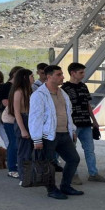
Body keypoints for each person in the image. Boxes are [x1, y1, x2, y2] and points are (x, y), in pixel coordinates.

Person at [28, 65, 83, 200]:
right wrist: (37, 139)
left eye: (62, 74)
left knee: (73, 159)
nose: (62, 77)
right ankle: (51, 189)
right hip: (48, 135)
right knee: (48, 163)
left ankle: (65, 186)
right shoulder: (39, 95)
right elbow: (35, 118)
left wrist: (72, 129)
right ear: (49, 76)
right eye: (59, 74)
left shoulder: (63, 93)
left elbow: (68, 113)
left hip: (64, 133)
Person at [62, 62, 105, 184]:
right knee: (71, 151)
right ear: (73, 73)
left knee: (90, 150)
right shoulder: (64, 89)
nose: (83, 74)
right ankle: (73, 175)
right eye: (81, 72)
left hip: (86, 123)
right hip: (73, 125)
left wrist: (94, 121)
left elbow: (88, 105)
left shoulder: (83, 87)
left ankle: (93, 173)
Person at [8, 68, 35, 185]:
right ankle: (23, 177)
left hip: (31, 120)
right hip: (23, 121)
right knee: (24, 152)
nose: (33, 79)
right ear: (25, 78)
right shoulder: (18, 92)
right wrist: (23, 130)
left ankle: (30, 175)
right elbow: (17, 113)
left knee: (31, 151)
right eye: (31, 76)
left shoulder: (29, 90)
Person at [0, 66, 23, 178]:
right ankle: (12, 168)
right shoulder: (6, 86)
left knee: (17, 142)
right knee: (13, 142)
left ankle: (17, 164)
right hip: (10, 118)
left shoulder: (20, 87)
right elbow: (5, 103)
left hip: (19, 117)